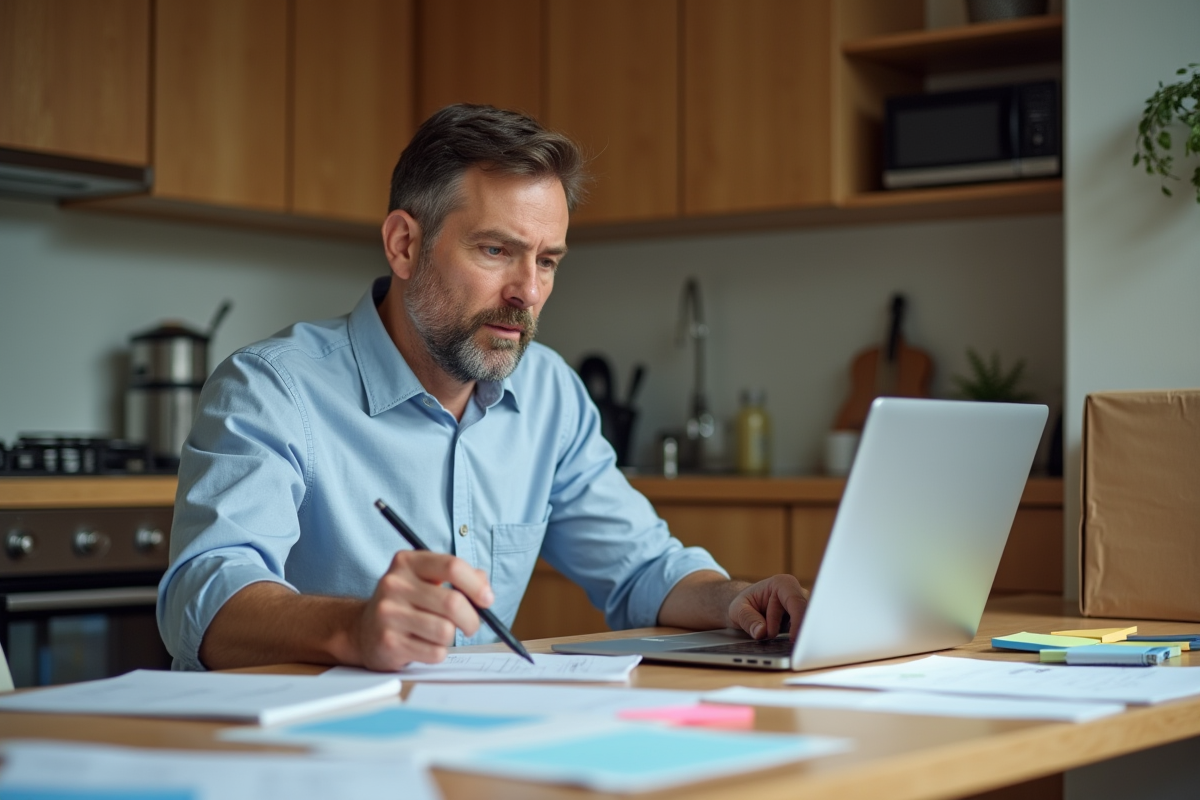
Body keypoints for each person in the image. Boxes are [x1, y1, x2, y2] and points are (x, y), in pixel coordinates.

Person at [157, 104, 808, 672]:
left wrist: (733, 601)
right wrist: (351, 629)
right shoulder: (272, 388)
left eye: (547, 260)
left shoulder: (548, 390)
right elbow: (205, 595)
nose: (528, 292)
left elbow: (640, 567)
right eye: (496, 251)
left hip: (465, 741)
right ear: (405, 245)